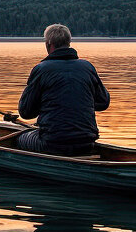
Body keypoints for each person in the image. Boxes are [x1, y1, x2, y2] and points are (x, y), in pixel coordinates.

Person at [9, 24, 109, 156]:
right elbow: (103, 102)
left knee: (17, 139)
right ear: (69, 43)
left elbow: (26, 112)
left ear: (49, 44)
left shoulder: (41, 69)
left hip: (53, 142)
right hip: (86, 142)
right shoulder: (87, 67)